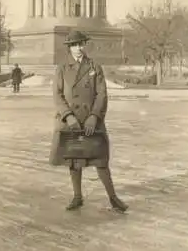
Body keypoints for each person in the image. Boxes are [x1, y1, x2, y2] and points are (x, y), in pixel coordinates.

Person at [49, 29, 129, 212]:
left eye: (80, 44)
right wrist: (68, 116)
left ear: (85, 45)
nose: (78, 48)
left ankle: (113, 197)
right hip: (70, 121)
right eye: (74, 45)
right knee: (74, 160)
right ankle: (77, 196)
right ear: (69, 47)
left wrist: (94, 117)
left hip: (92, 120)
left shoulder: (94, 66)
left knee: (100, 160)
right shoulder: (61, 68)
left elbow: (102, 94)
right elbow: (57, 95)